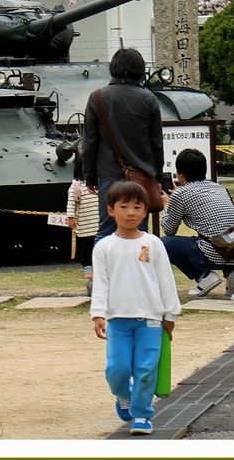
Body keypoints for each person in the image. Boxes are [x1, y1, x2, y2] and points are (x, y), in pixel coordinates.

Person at [91, 181, 181, 436]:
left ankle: (141, 414)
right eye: (124, 206)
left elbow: (166, 279)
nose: (131, 212)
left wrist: (170, 313)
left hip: (151, 318)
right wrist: (98, 313)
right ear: (111, 210)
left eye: (137, 207)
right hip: (118, 320)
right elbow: (101, 283)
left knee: (145, 369)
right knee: (116, 369)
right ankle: (123, 396)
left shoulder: (154, 243)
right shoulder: (104, 247)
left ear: (145, 211)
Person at [82, 47, 164, 241]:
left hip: (108, 174)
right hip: (141, 176)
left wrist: (89, 176)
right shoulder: (149, 99)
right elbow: (156, 144)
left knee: (105, 231)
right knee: (138, 231)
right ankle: (137, 270)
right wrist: (158, 176)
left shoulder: (97, 97)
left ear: (113, 68)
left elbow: (90, 142)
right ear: (140, 70)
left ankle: (104, 272)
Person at [160, 148, 234, 298]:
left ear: (180, 174)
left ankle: (203, 277)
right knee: (221, 231)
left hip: (213, 254)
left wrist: (166, 204)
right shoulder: (220, 188)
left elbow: (168, 229)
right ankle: (232, 272)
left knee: (163, 243)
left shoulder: (181, 193)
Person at [66, 141, 99, 296]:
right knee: (86, 253)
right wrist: (71, 218)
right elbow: (71, 203)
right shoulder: (76, 187)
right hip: (85, 227)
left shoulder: (98, 186)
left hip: (98, 226)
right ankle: (89, 274)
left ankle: (98, 273)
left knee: (99, 251)